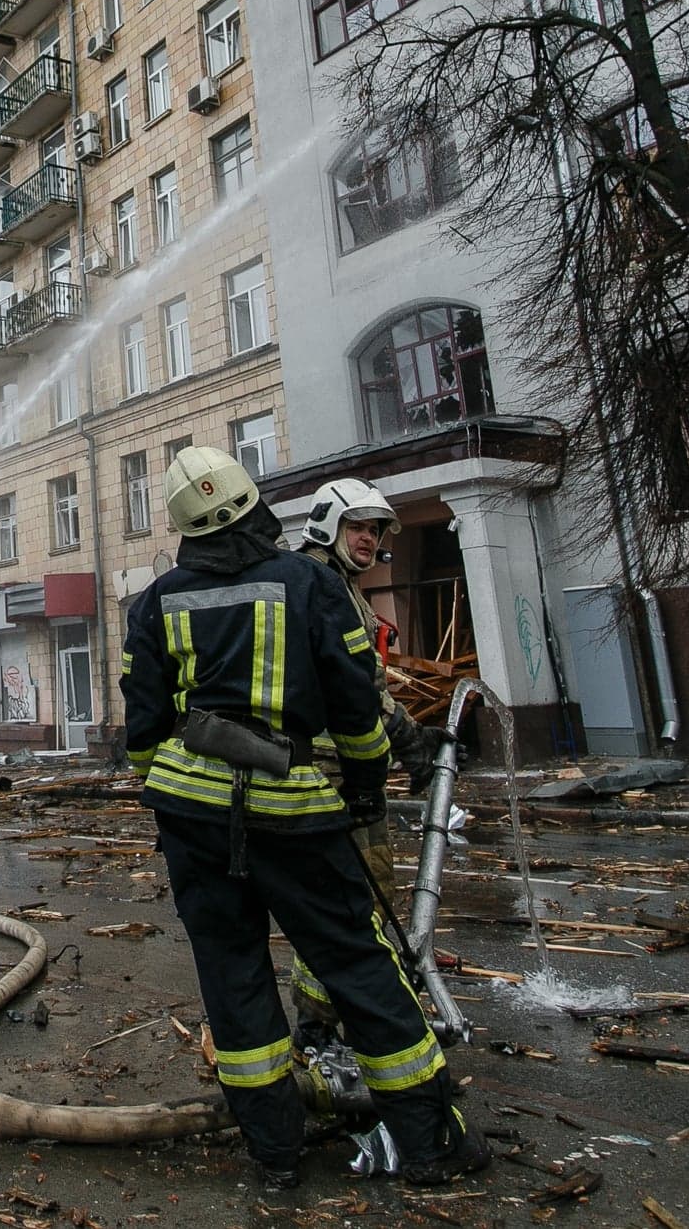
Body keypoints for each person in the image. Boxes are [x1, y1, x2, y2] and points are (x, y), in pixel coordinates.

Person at [120, 447, 485, 1193]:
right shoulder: (311, 586)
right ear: (255, 505)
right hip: (297, 816)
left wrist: (172, 806)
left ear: (182, 526)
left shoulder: (156, 603)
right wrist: (363, 788)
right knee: (359, 963)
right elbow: (356, 710)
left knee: (233, 976)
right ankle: (429, 1142)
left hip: (193, 822)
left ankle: (275, 1155)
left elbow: (145, 734)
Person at [288, 478, 434, 1030]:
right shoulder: (319, 583)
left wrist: (409, 729)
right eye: (359, 527)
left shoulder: (339, 585)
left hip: (350, 768)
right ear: (329, 523)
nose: (370, 539)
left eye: (375, 530)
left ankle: (344, 1014)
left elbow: (368, 680)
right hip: (329, 772)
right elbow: (346, 685)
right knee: (349, 898)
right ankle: (323, 1026)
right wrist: (403, 731)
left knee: (362, 895)